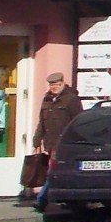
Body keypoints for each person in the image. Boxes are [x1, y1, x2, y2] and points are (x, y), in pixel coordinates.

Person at [32, 72, 82, 210]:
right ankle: (68, 199)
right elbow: (42, 122)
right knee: (56, 171)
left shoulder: (71, 99)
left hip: (65, 144)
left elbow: (77, 122)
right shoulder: (47, 99)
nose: (53, 87)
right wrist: (36, 140)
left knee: (53, 171)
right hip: (50, 143)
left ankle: (41, 199)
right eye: (51, 85)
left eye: (56, 85)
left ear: (62, 83)